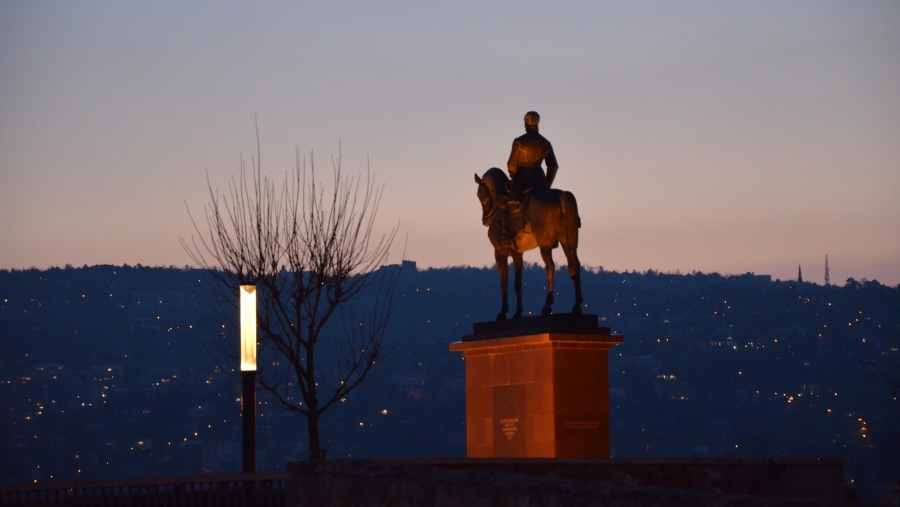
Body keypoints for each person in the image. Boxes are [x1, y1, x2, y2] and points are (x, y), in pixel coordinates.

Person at [500, 111, 558, 248]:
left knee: (509, 204)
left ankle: (509, 237)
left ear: (526, 122)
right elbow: (553, 166)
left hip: (522, 179)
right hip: (540, 180)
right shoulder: (545, 143)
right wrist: (547, 184)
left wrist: (513, 177)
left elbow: (512, 165)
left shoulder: (519, 141)